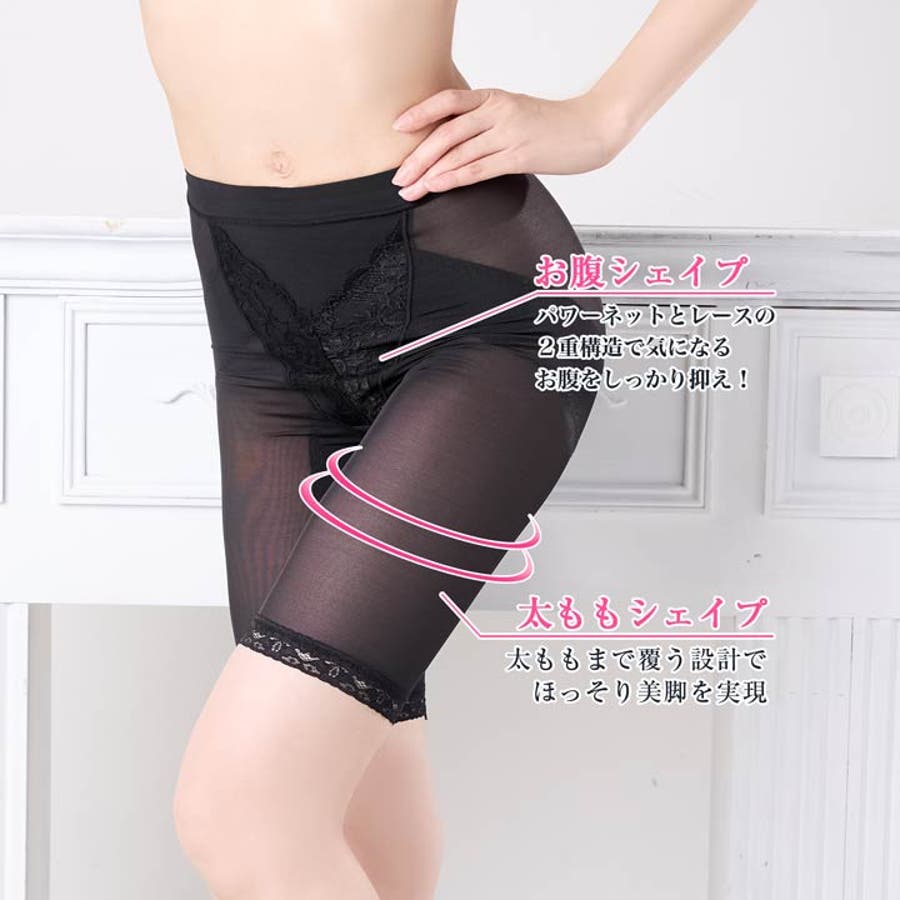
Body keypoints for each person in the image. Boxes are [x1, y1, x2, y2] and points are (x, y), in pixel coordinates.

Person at [137, 1, 757, 896]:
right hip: (261, 334)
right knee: (347, 813)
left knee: (242, 808)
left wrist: (605, 115)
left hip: (472, 306)